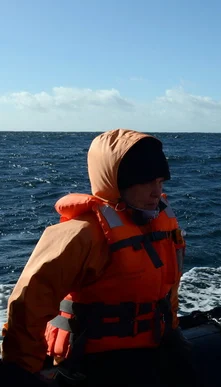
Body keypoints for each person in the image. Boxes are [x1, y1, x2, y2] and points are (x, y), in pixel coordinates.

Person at [1, 129, 196, 386]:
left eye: (160, 181)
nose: (156, 191)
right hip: (94, 358)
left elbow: (168, 286)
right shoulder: (82, 233)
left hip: (155, 343)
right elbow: (30, 303)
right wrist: (21, 371)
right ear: (118, 182)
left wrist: (170, 329)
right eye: (146, 181)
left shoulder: (160, 222)